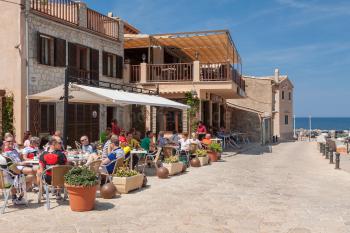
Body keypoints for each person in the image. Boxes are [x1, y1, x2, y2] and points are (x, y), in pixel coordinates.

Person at [2, 134, 36, 204]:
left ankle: (19, 196)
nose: (11, 142)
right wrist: (21, 163)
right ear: (5, 142)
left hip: (17, 168)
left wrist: (22, 159)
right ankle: (17, 192)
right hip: (12, 172)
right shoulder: (5, 153)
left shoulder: (14, 150)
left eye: (12, 141)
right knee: (32, 172)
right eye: (9, 141)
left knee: (32, 176)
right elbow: (11, 165)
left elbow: (19, 159)